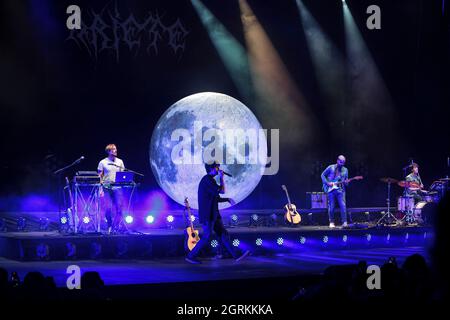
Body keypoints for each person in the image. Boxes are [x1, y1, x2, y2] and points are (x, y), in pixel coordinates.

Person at [185, 162, 250, 264]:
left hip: (214, 214)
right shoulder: (207, 180)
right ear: (211, 169)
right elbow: (222, 191)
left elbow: (216, 198)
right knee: (207, 235)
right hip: (208, 214)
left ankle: (236, 255)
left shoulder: (210, 181)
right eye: (216, 167)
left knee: (223, 234)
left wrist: (227, 199)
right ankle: (191, 255)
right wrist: (222, 178)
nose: (218, 169)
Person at [97, 144, 125, 234]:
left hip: (117, 188)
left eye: (116, 149)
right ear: (108, 151)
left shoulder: (120, 161)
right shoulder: (103, 162)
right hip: (106, 188)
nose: (115, 151)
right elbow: (99, 176)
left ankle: (115, 226)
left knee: (119, 208)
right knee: (108, 207)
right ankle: (109, 225)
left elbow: (123, 175)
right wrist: (100, 189)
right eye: (113, 150)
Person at [321, 155, 349, 228]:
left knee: (343, 206)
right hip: (330, 190)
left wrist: (346, 182)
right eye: (340, 162)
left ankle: (344, 222)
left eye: (343, 162)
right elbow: (322, 175)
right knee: (331, 206)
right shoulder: (331, 167)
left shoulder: (345, 170)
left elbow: (346, 183)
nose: (342, 164)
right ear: (337, 160)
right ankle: (332, 222)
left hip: (341, 190)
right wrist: (327, 183)